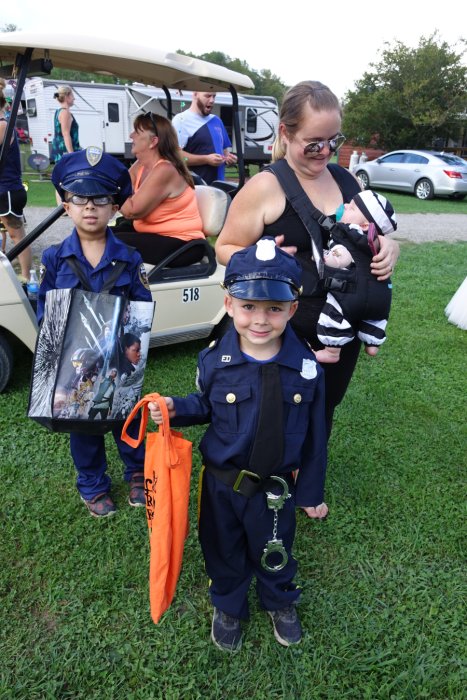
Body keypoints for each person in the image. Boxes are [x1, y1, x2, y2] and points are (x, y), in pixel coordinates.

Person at [149, 239, 328, 652]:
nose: (260, 320)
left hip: (275, 488)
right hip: (222, 486)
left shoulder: (306, 369)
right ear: (229, 305)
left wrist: (311, 492)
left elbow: (317, 435)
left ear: (292, 309)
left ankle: (279, 599)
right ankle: (228, 603)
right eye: (248, 306)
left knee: (276, 545)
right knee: (222, 546)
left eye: (274, 308)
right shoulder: (213, 361)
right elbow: (206, 406)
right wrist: (177, 408)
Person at [215, 80, 400, 437]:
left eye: (334, 141)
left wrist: (391, 248)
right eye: (314, 143)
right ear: (285, 133)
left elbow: (374, 233)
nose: (325, 151)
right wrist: (261, 258)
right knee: (274, 413)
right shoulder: (266, 187)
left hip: (341, 328)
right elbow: (224, 247)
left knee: (323, 406)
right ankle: (269, 479)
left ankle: (306, 480)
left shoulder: (347, 181)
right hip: (283, 330)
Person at [37, 146, 153, 518]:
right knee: (81, 424)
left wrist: (131, 345)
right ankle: (92, 482)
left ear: (115, 206)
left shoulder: (129, 258)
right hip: (77, 361)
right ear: (65, 204)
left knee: (125, 415)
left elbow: (140, 308)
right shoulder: (54, 258)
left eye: (100, 198)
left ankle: (136, 472)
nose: (90, 207)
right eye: (79, 198)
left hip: (118, 356)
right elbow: (47, 312)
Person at [315, 189, 397, 363]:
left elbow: (342, 257)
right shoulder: (377, 242)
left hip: (352, 295)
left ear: (365, 225)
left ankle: (331, 352)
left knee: (334, 314)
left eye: (351, 208)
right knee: (375, 319)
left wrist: (324, 257)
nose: (344, 206)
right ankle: (372, 344)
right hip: (381, 296)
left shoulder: (348, 234)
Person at [114, 112, 205, 266]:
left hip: (182, 243)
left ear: (153, 141)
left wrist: (108, 189)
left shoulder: (166, 169)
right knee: (95, 234)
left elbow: (131, 210)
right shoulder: (140, 165)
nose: (131, 136)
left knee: (105, 241)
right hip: (156, 235)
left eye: (136, 132)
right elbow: (120, 186)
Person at [0, 79, 32, 281]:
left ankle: (28, 278)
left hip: (8, 190)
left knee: (17, 236)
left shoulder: (2, 124)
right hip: (4, 188)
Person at [171, 92, 238, 185]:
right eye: (207, 96)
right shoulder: (181, 120)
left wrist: (229, 159)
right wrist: (206, 159)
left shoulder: (217, 120)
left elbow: (225, 152)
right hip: (194, 188)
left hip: (218, 187)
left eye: (214, 96)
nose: (212, 100)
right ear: (195, 95)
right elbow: (175, 156)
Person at [50, 85, 81, 206]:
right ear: (67, 96)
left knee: (61, 178)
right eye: (72, 96)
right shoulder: (65, 112)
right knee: (66, 179)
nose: (74, 99)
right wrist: (71, 153)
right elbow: (66, 134)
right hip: (64, 151)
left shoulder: (59, 111)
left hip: (59, 150)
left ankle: (61, 207)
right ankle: (63, 207)